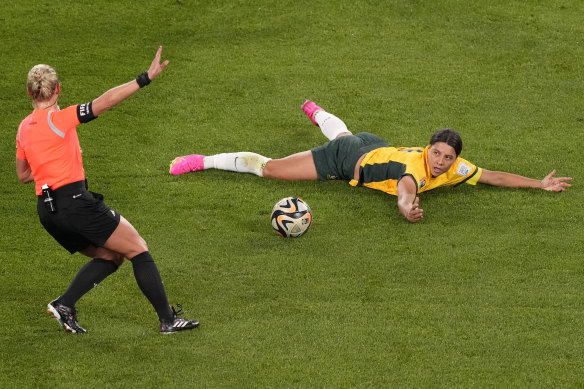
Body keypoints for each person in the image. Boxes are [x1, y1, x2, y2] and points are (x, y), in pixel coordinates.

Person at [16, 46, 199, 334]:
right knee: (138, 248)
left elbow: (24, 174)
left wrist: (51, 162)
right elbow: (104, 102)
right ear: (58, 90)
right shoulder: (60, 119)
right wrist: (144, 78)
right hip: (75, 204)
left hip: (48, 212)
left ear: (29, 93)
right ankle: (168, 320)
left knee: (111, 255)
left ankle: (65, 304)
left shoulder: (23, 128)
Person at [169, 100, 572, 223]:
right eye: (436, 152)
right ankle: (201, 161)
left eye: (447, 158)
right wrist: (406, 207)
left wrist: (538, 183)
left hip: (371, 145)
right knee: (271, 168)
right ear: (428, 148)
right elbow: (406, 189)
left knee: (347, 133)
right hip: (346, 160)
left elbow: (494, 177)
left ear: (455, 160)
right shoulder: (416, 170)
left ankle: (318, 113)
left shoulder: (456, 170)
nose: (440, 161)